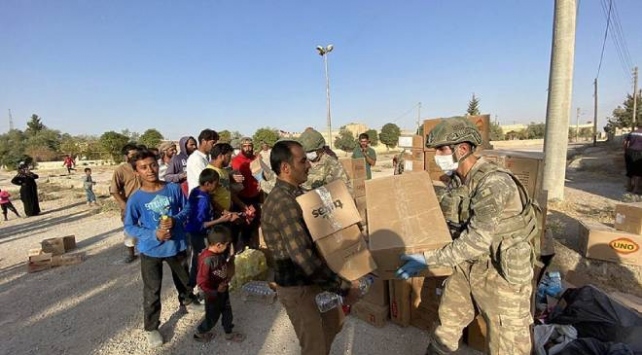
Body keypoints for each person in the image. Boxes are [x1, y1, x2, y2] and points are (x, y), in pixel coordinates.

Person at [395, 117, 539, 355]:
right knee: (445, 330)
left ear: (461, 149)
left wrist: (427, 258)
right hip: (467, 268)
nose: (437, 156)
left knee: (509, 347)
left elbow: (476, 241)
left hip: (500, 274)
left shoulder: (494, 183)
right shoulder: (457, 181)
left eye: (441, 149)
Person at [261, 140, 361, 355]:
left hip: (314, 281)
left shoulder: (299, 195)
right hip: (298, 288)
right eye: (303, 161)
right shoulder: (284, 204)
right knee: (315, 348)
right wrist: (344, 287)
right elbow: (303, 259)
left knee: (333, 325)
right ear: (286, 168)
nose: (309, 165)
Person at [123, 149, 202, 348]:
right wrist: (153, 234)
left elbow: (187, 208)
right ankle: (151, 327)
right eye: (143, 167)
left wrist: (175, 221)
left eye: (153, 165)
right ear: (136, 172)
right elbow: (130, 226)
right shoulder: (136, 199)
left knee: (184, 279)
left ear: (159, 165)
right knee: (152, 291)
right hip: (151, 250)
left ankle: (188, 300)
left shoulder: (173, 189)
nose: (150, 170)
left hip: (176, 245)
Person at [185, 168, 237, 292]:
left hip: (194, 232)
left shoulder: (197, 191)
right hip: (199, 234)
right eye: (216, 183)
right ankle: (200, 287)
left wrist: (226, 213)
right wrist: (220, 220)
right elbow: (201, 224)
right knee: (203, 261)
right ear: (208, 184)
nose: (218, 185)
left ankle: (193, 286)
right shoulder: (202, 201)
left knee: (198, 260)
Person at [193, 225, 246, 343]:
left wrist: (230, 263)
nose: (227, 247)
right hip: (213, 295)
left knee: (227, 312)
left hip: (223, 290)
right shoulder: (207, 260)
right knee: (212, 317)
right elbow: (201, 282)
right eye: (226, 245)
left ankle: (229, 333)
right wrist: (215, 291)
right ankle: (200, 332)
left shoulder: (218, 254)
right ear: (218, 245)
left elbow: (222, 268)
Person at [110, 143, 142, 263]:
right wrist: (124, 205)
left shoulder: (141, 167)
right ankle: (131, 254)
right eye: (133, 155)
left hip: (144, 204)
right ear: (126, 156)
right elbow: (114, 190)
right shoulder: (120, 170)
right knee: (130, 231)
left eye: (137, 154)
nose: (135, 157)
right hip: (129, 205)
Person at [298, 129, 352, 193]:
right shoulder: (299, 163)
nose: (309, 154)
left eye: (312, 151)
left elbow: (346, 188)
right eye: (307, 152)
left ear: (321, 148)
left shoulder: (332, 163)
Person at [231, 137, 260, 249]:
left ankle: (254, 250)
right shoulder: (235, 161)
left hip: (255, 198)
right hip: (241, 199)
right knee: (243, 228)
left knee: (254, 226)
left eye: (250, 145)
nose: (248, 148)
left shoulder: (256, 159)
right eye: (245, 146)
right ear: (241, 147)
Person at [186, 129, 219, 195]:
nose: (214, 146)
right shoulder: (196, 159)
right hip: (199, 198)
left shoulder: (208, 156)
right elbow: (206, 181)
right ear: (204, 141)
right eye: (213, 143)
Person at [624, 126, 642, 193]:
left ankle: (628, 187)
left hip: (629, 152)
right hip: (639, 153)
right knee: (638, 172)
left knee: (629, 170)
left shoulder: (632, 133)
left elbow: (625, 143)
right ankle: (635, 189)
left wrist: (626, 151)